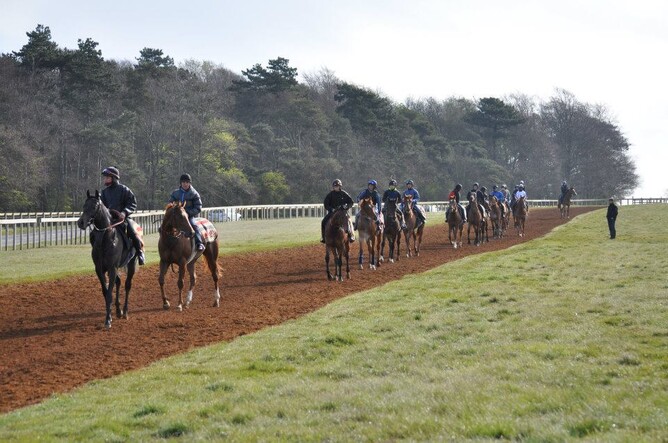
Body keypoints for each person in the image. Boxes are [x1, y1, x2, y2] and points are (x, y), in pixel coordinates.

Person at [100, 166, 145, 265]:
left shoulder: (124, 189)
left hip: (122, 219)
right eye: (105, 177)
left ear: (114, 178)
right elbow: (101, 207)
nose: (105, 179)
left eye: (107, 177)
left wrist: (124, 212)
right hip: (109, 220)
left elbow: (132, 203)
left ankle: (139, 252)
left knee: (132, 231)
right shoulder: (104, 192)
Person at [168, 173, 205, 251]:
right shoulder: (175, 193)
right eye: (183, 182)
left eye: (187, 182)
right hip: (177, 217)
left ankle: (199, 243)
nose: (185, 184)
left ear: (189, 183)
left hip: (188, 216)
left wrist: (187, 213)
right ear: (181, 183)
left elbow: (198, 207)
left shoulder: (194, 194)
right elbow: (170, 204)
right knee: (166, 226)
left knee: (194, 225)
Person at [321, 179, 355, 243]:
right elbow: (326, 205)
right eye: (335, 186)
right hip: (332, 213)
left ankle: (351, 235)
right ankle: (323, 237)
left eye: (337, 186)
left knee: (348, 221)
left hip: (343, 212)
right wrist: (331, 209)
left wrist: (346, 206)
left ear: (340, 186)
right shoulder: (330, 195)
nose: (336, 187)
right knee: (323, 221)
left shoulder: (344, 194)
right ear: (333, 187)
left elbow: (351, 202)